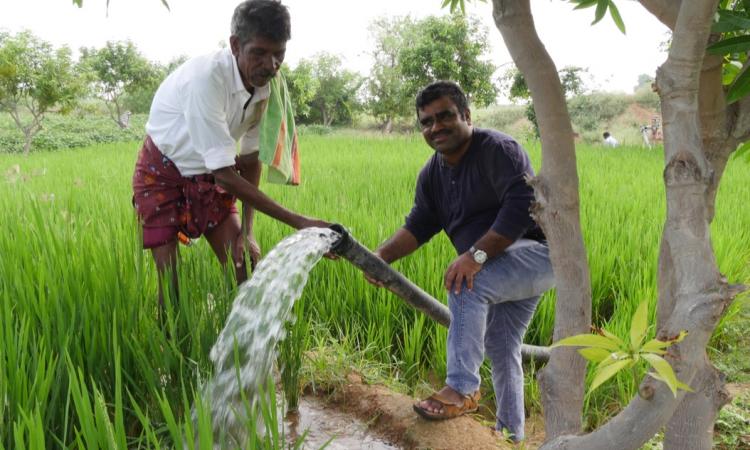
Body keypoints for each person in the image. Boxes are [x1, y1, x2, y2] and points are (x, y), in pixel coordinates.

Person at [367, 81, 554, 442]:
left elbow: (520, 205)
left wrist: (476, 255)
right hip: (502, 266)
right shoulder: (432, 174)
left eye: (444, 117)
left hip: (536, 254)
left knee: (466, 283)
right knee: (502, 345)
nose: (435, 127)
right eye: (426, 122)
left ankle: (462, 388)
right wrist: (380, 257)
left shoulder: (498, 149)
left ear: (466, 116)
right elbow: (419, 224)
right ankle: (511, 435)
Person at [132, 0, 328, 310]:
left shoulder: (266, 88)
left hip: (208, 173)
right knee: (169, 281)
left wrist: (247, 232)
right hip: (163, 172)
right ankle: (170, 347)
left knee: (245, 266)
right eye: (259, 53)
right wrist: (299, 221)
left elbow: (249, 161)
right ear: (235, 45)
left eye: (279, 55)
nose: (271, 65)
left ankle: (248, 352)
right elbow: (226, 173)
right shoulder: (206, 80)